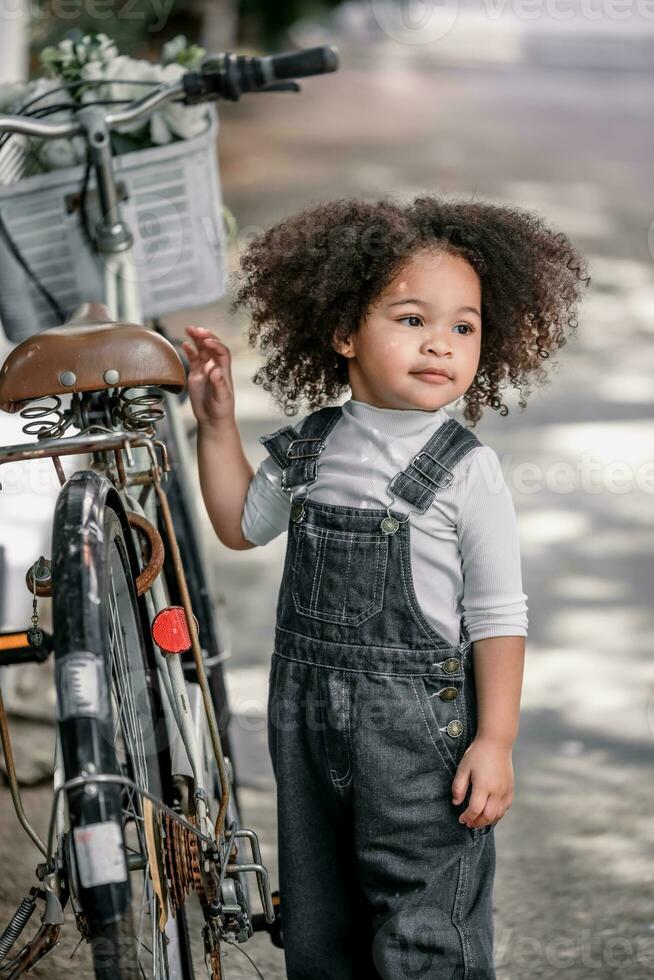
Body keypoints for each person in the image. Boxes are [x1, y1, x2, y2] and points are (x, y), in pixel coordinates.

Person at [183, 194, 590, 980]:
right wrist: (216, 426)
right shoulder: (311, 447)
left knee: (424, 930)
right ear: (343, 332)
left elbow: (499, 614)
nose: (440, 343)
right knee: (320, 921)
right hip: (305, 731)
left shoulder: (466, 470)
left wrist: (495, 740)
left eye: (463, 327)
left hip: (419, 746)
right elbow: (239, 523)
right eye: (411, 319)